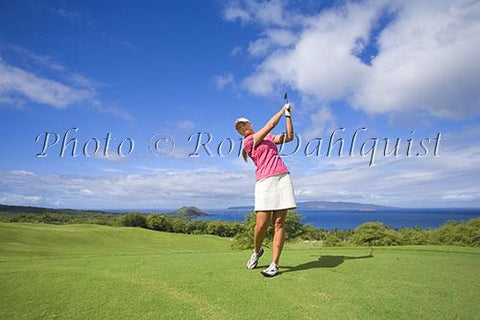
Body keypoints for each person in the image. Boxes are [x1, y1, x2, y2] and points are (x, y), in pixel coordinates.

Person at [234, 103, 296, 277]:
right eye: (238, 127)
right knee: (261, 224)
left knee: (278, 223)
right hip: (264, 182)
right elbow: (270, 124)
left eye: (243, 124)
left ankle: (274, 264)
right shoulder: (248, 142)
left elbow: (290, 137)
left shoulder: (268, 137)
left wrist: (289, 116)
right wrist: (283, 110)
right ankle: (256, 251)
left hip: (282, 177)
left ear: (249, 124)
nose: (241, 127)